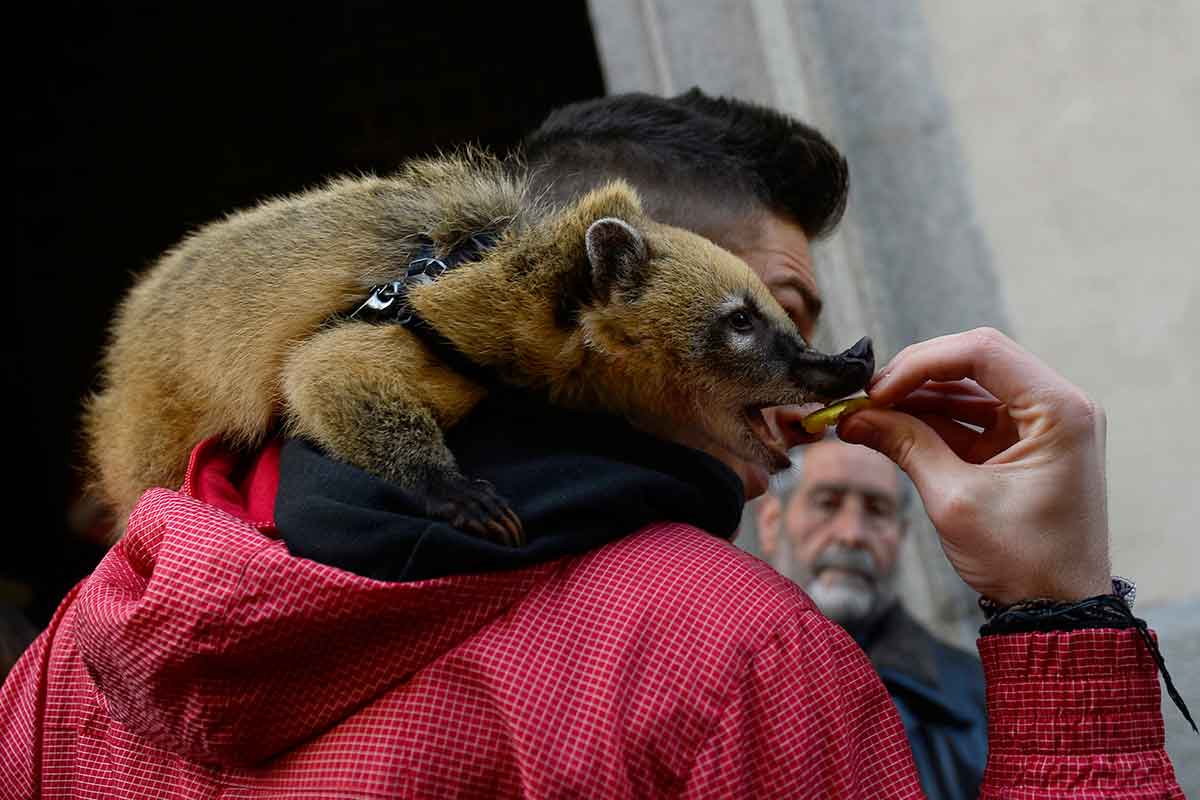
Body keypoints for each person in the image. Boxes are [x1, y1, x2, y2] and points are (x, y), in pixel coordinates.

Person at [0, 90, 1185, 798]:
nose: (800, 396)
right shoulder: (733, 661)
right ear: (610, 307)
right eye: (767, 322)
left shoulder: (74, 656)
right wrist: (1059, 619)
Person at [755, 437, 987, 799]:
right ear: (771, 522)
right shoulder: (715, 679)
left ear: (902, 536)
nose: (852, 535)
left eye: (877, 509)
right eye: (827, 503)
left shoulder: (978, 698)